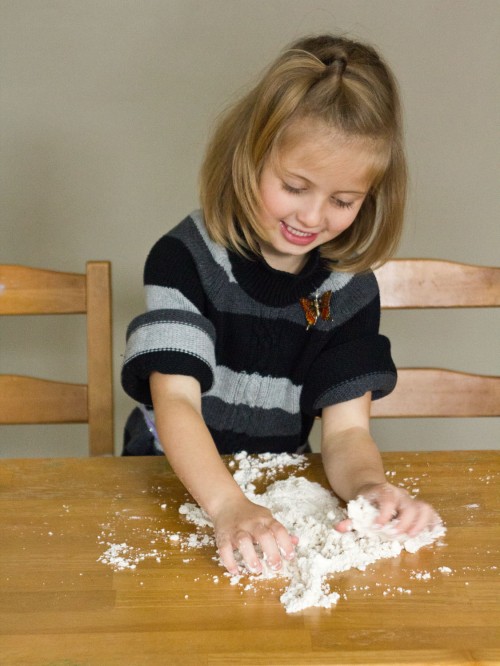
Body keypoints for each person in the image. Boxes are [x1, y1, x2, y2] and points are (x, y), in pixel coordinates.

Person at [121, 34, 440, 576]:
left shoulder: (349, 288)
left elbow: (345, 432)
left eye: (343, 201)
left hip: (272, 489)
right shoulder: (184, 258)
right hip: (167, 479)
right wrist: (226, 505)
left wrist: (368, 488)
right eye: (295, 186)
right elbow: (174, 400)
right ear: (250, 158)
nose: (313, 217)